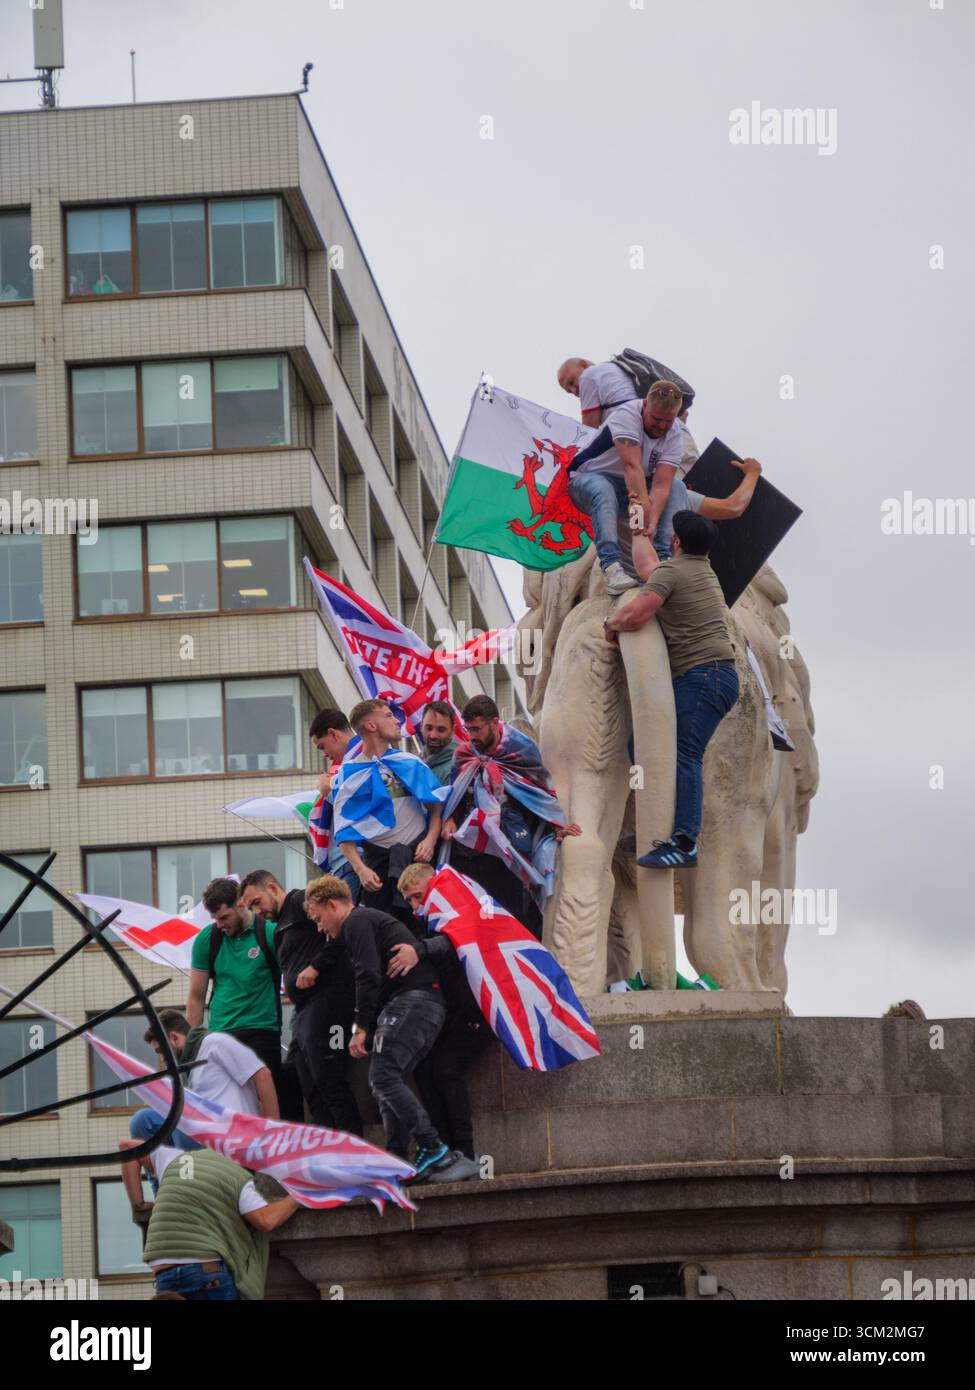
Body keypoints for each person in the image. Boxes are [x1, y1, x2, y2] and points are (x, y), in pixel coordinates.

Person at [304, 873, 466, 1184]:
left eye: (318, 918)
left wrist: (360, 1027)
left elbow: (368, 975)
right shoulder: (361, 924)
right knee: (388, 1081)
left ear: (333, 905)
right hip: (422, 1004)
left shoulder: (356, 921)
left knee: (383, 1076)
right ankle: (396, 1162)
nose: (319, 927)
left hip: (414, 1001)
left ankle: (434, 1148)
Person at [605, 511, 740, 869]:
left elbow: (637, 615)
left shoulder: (674, 572)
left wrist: (610, 623)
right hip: (715, 678)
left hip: (704, 677)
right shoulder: (699, 570)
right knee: (642, 745)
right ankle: (655, 821)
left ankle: (684, 841)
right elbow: (652, 567)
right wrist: (638, 532)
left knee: (684, 752)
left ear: (676, 542)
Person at [442, 695, 580, 938]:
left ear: (495, 723)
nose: (472, 736)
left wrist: (557, 826)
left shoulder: (521, 750)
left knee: (515, 920)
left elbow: (541, 792)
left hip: (510, 851)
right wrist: (450, 818)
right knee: (479, 921)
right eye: (468, 729)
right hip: (472, 852)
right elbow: (454, 791)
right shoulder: (464, 754)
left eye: (476, 729)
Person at [238, 868, 362, 1135]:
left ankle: (354, 1146)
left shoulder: (299, 902)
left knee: (328, 1077)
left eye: (257, 902)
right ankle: (327, 1148)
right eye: (250, 908)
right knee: (308, 1083)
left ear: (272, 888)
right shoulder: (277, 927)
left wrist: (316, 966)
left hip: (328, 1001)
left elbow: (343, 923)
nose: (257, 912)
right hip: (304, 1010)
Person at [120, 1009, 278, 1206]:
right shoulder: (186, 1067)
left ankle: (189, 1187)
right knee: (143, 1120)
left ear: (175, 1038)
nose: (161, 1059)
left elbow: (263, 1075)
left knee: (183, 1119)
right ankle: (164, 1195)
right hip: (202, 1138)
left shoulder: (215, 1043)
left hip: (231, 1140)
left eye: (161, 1051)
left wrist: (273, 1133)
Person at [393, 861, 491, 1179]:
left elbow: (457, 940)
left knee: (447, 1069)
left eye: (417, 897)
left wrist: (418, 950)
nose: (415, 906)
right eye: (409, 901)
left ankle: (465, 1152)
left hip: (477, 1012)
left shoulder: (457, 908)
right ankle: (445, 1152)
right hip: (456, 1013)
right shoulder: (430, 920)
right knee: (425, 1068)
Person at [567, 381, 687, 594]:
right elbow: (632, 467)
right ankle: (611, 566)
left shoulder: (675, 433)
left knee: (678, 487)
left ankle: (663, 561)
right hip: (588, 480)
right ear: (644, 407)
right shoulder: (627, 415)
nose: (661, 426)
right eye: (656, 419)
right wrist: (642, 517)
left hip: (627, 488)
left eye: (667, 421)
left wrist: (653, 523)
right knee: (602, 487)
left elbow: (661, 485)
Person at [187, 878, 295, 1117]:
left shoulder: (268, 932)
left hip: (262, 1030)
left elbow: (292, 980)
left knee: (263, 1099)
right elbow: (196, 996)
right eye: (215, 919)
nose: (220, 925)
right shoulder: (208, 939)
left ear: (241, 905)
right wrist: (190, 1046)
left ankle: (271, 1144)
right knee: (225, 1104)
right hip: (221, 1033)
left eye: (224, 918)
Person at [332, 699, 445, 925]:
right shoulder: (349, 774)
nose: (396, 720)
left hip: (418, 860)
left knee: (428, 928)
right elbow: (344, 832)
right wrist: (361, 869)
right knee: (386, 934)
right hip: (379, 868)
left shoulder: (410, 761)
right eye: (387, 716)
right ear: (371, 726)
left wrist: (431, 841)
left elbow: (437, 805)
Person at [140, 1144, 300, 1300]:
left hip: (164, 1276)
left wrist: (138, 1203)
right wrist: (299, 1196)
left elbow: (128, 1148)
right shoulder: (236, 1175)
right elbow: (266, 1220)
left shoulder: (175, 1159)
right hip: (206, 1273)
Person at [308, 706, 361, 896]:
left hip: (354, 860)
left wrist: (327, 790)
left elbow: (358, 803)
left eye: (322, 746)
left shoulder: (362, 759)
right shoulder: (341, 767)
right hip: (345, 862)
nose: (324, 753)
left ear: (333, 734)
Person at [418, 700, 458, 785]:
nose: (433, 736)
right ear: (421, 727)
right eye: (429, 728)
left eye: (441, 730)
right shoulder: (414, 764)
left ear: (453, 730)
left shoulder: (457, 769)